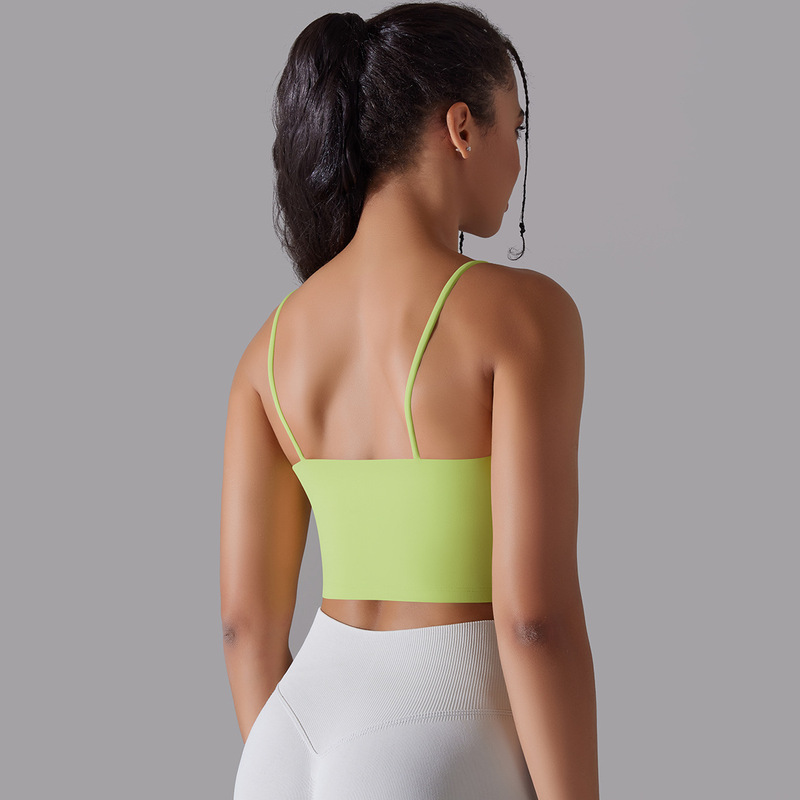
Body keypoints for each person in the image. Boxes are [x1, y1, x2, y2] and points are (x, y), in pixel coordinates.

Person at [220, 2, 599, 798]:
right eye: (515, 130)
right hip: (439, 738)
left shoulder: (269, 347)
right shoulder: (522, 315)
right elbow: (534, 621)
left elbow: (245, 628)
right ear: (461, 127)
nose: (517, 162)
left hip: (287, 741)